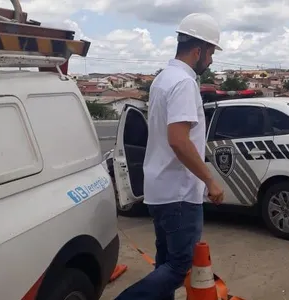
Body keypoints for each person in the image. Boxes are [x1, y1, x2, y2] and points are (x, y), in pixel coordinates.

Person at [114, 13, 225, 300]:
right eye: (211, 52)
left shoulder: (163, 79)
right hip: (179, 192)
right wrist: (209, 180)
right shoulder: (184, 83)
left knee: (165, 263)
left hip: (160, 189)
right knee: (178, 267)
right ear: (198, 50)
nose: (211, 61)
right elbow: (178, 140)